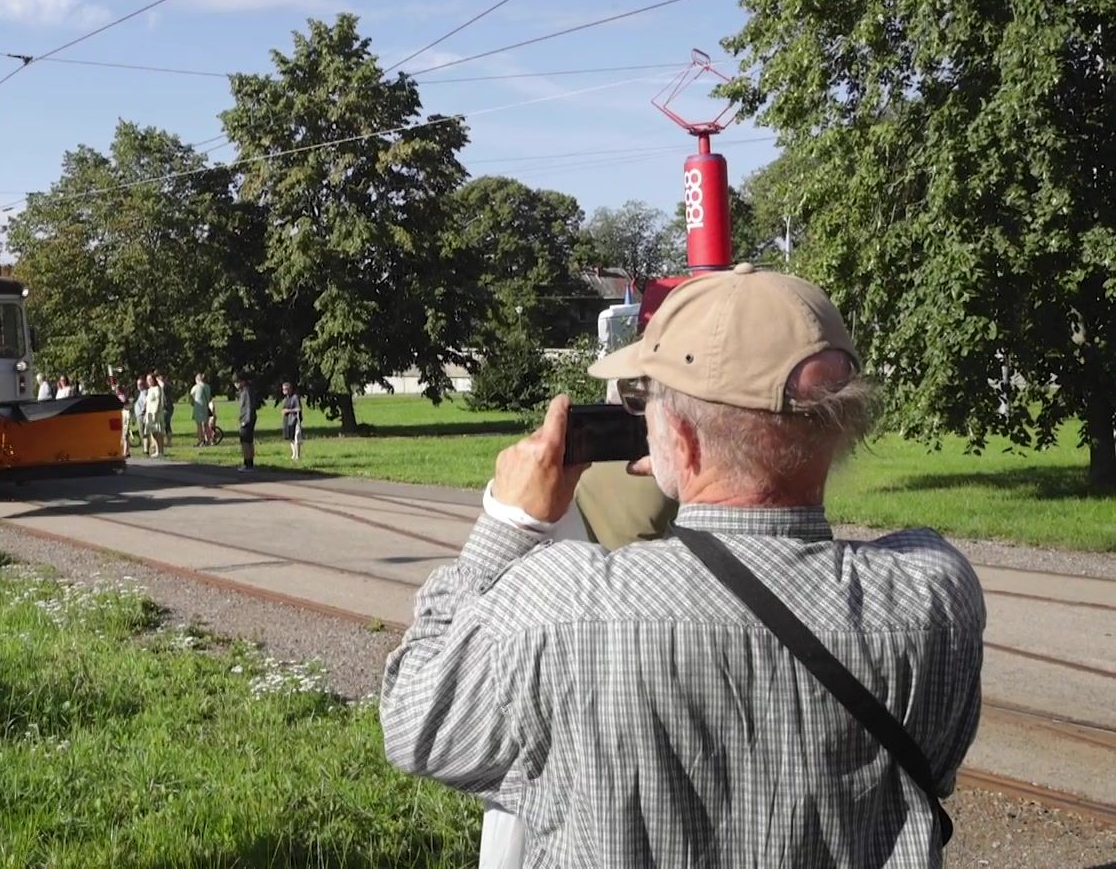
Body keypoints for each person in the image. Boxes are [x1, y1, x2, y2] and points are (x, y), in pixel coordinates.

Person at [380, 266, 984, 866]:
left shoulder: (559, 607)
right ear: (839, 427)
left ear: (683, 437)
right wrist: (704, 461)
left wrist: (507, 522)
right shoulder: (936, 599)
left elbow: (412, 721)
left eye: (646, 402)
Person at [234, 373, 259, 471]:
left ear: (242, 382)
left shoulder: (246, 392)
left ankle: (247, 462)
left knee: (245, 441)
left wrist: (245, 420)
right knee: (248, 441)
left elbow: (248, 407)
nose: (236, 385)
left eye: (237, 383)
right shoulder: (245, 391)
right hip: (248, 418)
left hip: (247, 419)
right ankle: (250, 462)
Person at [280, 381, 303, 462]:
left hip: (295, 420)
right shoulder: (286, 399)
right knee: (290, 438)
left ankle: (298, 455)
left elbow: (299, 409)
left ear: (290, 389)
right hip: (287, 421)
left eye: (286, 389)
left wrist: (288, 411)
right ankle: (293, 454)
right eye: (283, 389)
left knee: (297, 438)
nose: (284, 391)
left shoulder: (295, 397)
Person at [190, 373, 214, 446]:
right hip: (206, 407)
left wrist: (192, 402)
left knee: (199, 425)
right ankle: (209, 440)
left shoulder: (196, 387)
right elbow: (209, 398)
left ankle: (201, 440)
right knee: (206, 424)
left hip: (198, 407)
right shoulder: (207, 387)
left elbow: (191, 396)